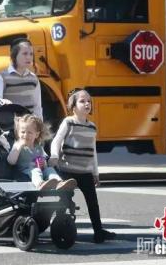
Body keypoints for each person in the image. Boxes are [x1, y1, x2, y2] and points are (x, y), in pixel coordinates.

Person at [49, 88, 117, 244]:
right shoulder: (69, 122)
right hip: (67, 170)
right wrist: (54, 156)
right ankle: (60, 229)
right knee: (63, 201)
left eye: (89, 101)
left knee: (93, 203)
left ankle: (98, 232)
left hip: (85, 172)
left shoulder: (92, 127)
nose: (87, 104)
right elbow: (56, 141)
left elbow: (93, 152)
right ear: (73, 105)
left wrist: (95, 173)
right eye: (82, 101)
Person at [7, 114, 77, 190]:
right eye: (23, 132)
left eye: (29, 133)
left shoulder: (38, 147)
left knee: (49, 169)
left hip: (38, 170)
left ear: (36, 135)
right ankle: (40, 184)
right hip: (24, 172)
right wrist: (18, 148)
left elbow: (44, 164)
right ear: (18, 133)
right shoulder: (17, 145)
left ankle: (59, 183)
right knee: (36, 171)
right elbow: (11, 161)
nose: (25, 135)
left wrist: (43, 163)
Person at [0, 38, 43, 118]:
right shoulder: (2, 78)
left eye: (31, 54)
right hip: (9, 126)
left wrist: (39, 126)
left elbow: (37, 107)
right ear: (14, 55)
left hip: (29, 126)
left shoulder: (34, 79)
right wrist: (1, 102)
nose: (29, 57)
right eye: (24, 54)